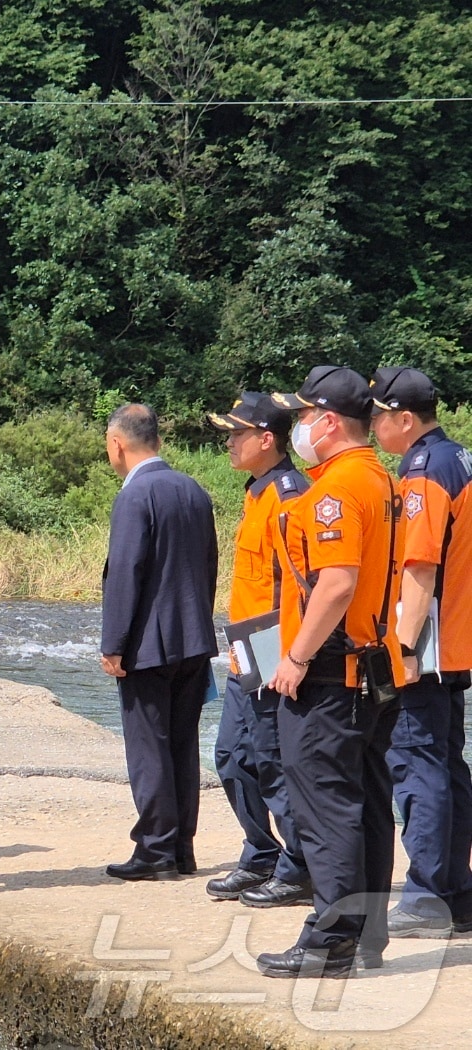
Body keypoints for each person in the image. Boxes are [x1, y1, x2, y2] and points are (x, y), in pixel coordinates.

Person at [257, 365, 406, 978]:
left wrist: (293, 658)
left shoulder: (337, 489)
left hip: (331, 670)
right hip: (374, 665)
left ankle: (330, 940)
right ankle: (365, 935)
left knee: (326, 808)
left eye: (302, 416)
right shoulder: (383, 479)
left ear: (329, 421)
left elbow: (337, 582)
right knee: (366, 802)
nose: (297, 428)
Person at [369, 366, 472, 938]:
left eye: (380, 416)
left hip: (428, 641)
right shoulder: (460, 457)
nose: (375, 426)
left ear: (404, 419)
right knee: (446, 763)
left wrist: (403, 646)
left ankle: (429, 896)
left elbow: (420, 566)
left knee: (416, 764)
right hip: (457, 638)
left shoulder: (423, 469)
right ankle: (456, 894)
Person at [99, 404, 219, 881]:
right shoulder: (193, 490)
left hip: (146, 645)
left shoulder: (134, 496)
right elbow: (209, 565)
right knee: (182, 744)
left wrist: (114, 643)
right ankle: (181, 848)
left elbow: (126, 573)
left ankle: (154, 849)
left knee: (148, 746)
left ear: (117, 444)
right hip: (193, 639)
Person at [205, 394, 313, 908]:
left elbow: (303, 583)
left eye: (236, 433)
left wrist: (292, 657)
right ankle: (261, 852)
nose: (228, 441)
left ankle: (299, 867)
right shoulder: (257, 491)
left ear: (265, 439)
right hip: (244, 649)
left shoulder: (290, 494)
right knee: (231, 758)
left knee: (273, 760)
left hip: (273, 647)